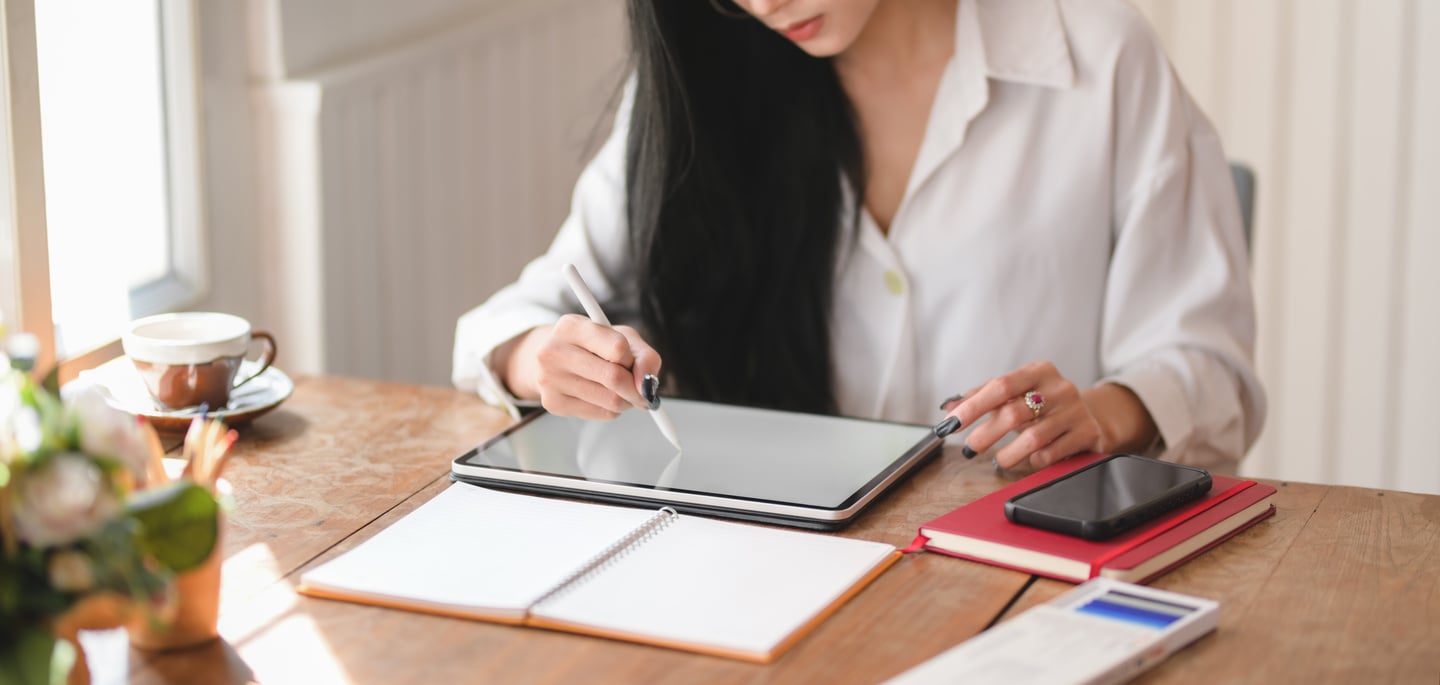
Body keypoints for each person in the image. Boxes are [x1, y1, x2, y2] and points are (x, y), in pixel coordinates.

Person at [453, 0, 1266, 473]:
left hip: (1024, 588)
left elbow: (1212, 371)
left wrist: (1103, 412)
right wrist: (539, 358)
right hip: (772, 577)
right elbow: (513, 317)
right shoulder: (703, 79)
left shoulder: (1100, 57)